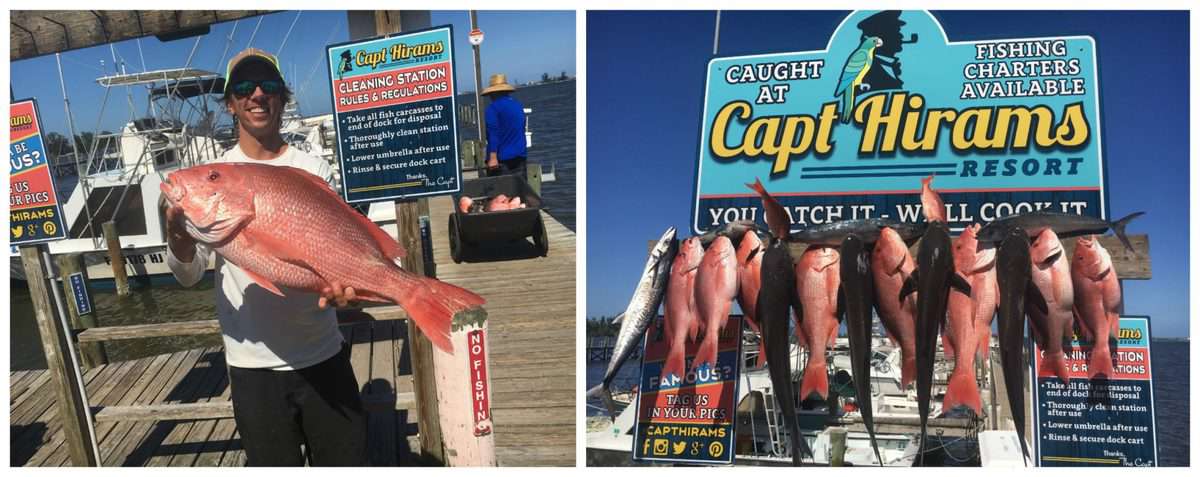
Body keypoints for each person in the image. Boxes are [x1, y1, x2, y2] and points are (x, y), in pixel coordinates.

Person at [165, 48, 367, 466]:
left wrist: (354, 292)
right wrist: (177, 237)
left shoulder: (312, 167)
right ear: (231, 103)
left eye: (268, 85)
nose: (257, 94)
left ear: (282, 96)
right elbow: (188, 275)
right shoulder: (212, 176)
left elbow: (338, 252)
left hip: (323, 354)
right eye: (243, 87)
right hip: (251, 367)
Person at [481, 73, 528, 177]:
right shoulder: (517, 105)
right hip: (520, 155)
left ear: (493, 93)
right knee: (519, 191)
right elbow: (521, 128)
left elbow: (493, 133)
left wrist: (493, 157)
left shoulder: (492, 109)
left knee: (501, 192)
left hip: (501, 159)